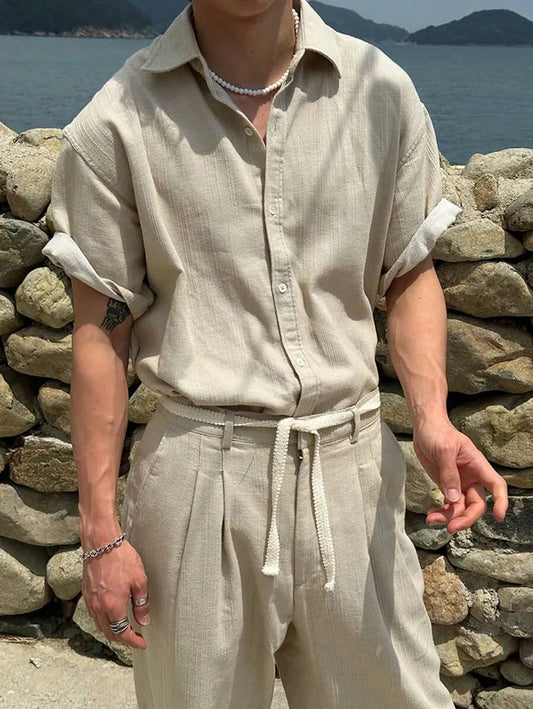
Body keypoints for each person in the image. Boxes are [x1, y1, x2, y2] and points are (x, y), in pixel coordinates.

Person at [41, 1, 509, 707]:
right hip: (198, 482)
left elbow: (408, 273)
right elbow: (102, 332)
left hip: (351, 472)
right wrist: (101, 533)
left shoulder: (380, 92)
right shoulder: (115, 123)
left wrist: (433, 420)